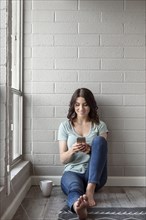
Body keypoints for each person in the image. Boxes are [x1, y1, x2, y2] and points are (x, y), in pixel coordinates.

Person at [58, 88, 108, 220]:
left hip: (95, 176)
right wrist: (72, 150)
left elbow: (102, 151)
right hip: (72, 171)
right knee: (74, 188)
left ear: (91, 105)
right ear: (73, 106)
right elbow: (62, 159)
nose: (81, 108)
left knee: (100, 140)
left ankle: (89, 190)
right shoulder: (65, 126)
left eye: (85, 104)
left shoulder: (100, 125)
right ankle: (78, 207)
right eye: (77, 104)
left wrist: (90, 150)